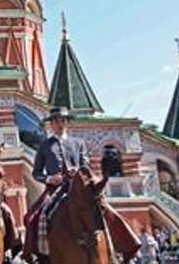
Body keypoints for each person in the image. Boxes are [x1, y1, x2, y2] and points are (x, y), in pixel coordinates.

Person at [23, 107, 139, 263]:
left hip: (79, 186)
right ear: (51, 124)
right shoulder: (45, 145)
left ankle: (123, 249)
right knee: (39, 215)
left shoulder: (78, 143)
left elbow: (86, 165)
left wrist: (77, 171)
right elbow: (36, 172)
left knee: (103, 208)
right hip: (56, 188)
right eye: (56, 121)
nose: (60, 123)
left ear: (67, 123)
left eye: (63, 120)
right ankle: (42, 254)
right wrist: (50, 178)